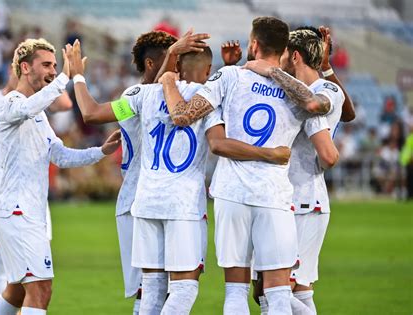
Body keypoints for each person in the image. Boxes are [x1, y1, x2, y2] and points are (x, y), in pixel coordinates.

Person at [70, 36, 291, 313]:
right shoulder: (210, 103)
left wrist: (78, 75)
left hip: (146, 202)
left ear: (176, 64)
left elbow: (91, 113)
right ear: (209, 71)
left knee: (151, 291)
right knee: (184, 289)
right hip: (183, 206)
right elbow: (219, 143)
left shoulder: (141, 95)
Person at [159, 16, 333, 315]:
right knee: (278, 294)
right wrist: (275, 73)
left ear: (253, 43)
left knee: (235, 292)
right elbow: (319, 105)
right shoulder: (297, 89)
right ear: (284, 48)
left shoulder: (228, 77)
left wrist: (166, 81)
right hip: (274, 196)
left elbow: (182, 116)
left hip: (232, 194)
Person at [70, 30, 209, 314]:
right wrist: (78, 76)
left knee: (156, 288)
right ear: (150, 64)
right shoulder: (137, 96)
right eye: (173, 59)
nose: (178, 66)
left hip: (145, 196)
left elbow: (93, 113)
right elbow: (91, 114)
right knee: (155, 289)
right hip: (142, 197)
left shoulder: (140, 96)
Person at [0, 38, 121, 315]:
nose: (52, 70)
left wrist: (100, 151)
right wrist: (67, 77)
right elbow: (27, 107)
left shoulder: (39, 114)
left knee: (16, 291)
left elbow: (58, 155)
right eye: (46, 65)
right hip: (17, 213)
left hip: (28, 213)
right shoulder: (11, 103)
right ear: (25, 68)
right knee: (41, 289)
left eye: (55, 65)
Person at [244, 28, 344, 314]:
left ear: (295, 55)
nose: (281, 59)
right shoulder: (313, 90)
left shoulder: (319, 93)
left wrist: (312, 169)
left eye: (285, 53)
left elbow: (328, 153)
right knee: (288, 289)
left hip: (301, 198)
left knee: (275, 289)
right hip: (287, 197)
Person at [0, 66, 72, 298]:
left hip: (33, 192)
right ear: (19, 69)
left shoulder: (37, 102)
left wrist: (51, 78)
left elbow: (65, 105)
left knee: (34, 264)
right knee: (0, 255)